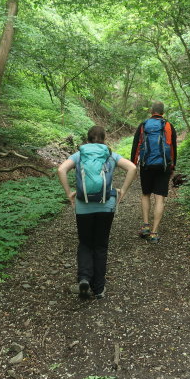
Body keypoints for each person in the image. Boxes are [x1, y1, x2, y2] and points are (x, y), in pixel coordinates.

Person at [57, 125, 137, 299]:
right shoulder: (110, 155)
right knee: (100, 246)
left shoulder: (80, 155)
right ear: (104, 138)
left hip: (83, 206)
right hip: (106, 205)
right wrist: (122, 190)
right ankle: (99, 289)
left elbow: (61, 169)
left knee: (85, 243)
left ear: (87, 139)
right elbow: (132, 168)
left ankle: (84, 278)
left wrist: (69, 193)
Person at [130, 101, 177, 244]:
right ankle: (154, 233)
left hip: (146, 165)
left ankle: (145, 226)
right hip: (163, 166)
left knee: (145, 194)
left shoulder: (143, 125)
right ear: (163, 112)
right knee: (160, 198)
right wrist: (172, 166)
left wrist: (134, 165)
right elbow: (173, 147)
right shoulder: (168, 125)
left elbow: (136, 146)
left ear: (151, 111)